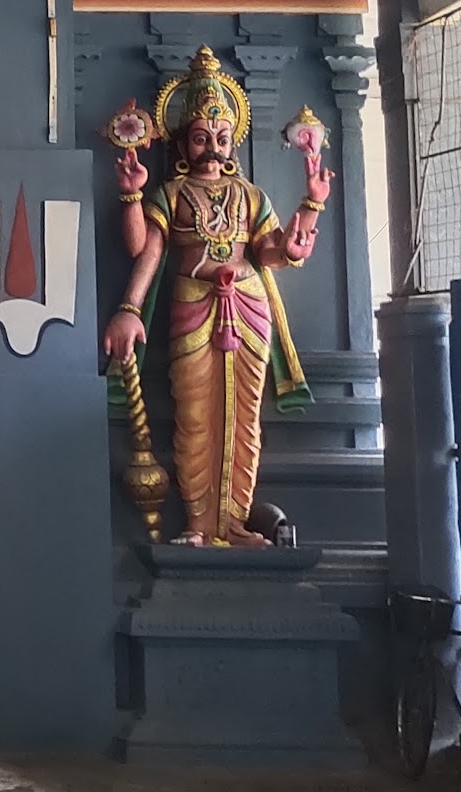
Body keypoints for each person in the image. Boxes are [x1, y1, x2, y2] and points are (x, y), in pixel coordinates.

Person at [102, 46, 325, 547]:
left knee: (245, 418)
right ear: (184, 141)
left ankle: (236, 525)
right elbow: (145, 249)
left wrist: (307, 213)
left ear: (234, 140)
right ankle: (200, 526)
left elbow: (270, 252)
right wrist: (133, 196)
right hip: (194, 305)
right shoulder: (173, 191)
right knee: (196, 416)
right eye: (202, 138)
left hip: (248, 308)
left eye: (222, 138)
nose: (213, 147)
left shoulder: (250, 195)